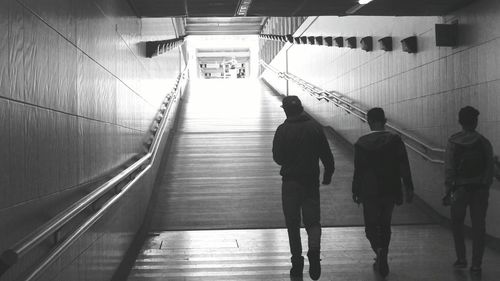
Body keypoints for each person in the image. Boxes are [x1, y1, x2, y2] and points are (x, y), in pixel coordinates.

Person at [272, 96, 335, 280]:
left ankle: (297, 262)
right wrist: (328, 173)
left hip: (290, 182)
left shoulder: (282, 130)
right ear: (301, 108)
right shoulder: (315, 128)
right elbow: (326, 154)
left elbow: (278, 158)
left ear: (285, 110)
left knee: (292, 223)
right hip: (310, 182)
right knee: (313, 221)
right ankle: (314, 251)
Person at [352, 107, 414, 278]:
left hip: (369, 190)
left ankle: (378, 250)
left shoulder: (361, 143)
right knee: (385, 224)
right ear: (385, 121)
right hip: (389, 188)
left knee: (371, 226)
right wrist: (409, 187)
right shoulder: (395, 140)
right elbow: (403, 165)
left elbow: (358, 170)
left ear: (369, 122)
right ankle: (383, 252)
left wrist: (355, 190)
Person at [443, 106, 494, 273]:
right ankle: (476, 264)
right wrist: (484, 184)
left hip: (460, 189)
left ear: (460, 121)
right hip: (479, 189)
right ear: (476, 121)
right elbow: (489, 167)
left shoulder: (453, 142)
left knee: (457, 223)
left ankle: (461, 258)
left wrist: (448, 189)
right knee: (479, 226)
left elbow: (449, 169)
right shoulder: (483, 141)